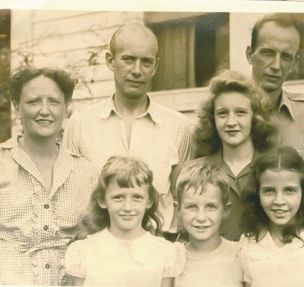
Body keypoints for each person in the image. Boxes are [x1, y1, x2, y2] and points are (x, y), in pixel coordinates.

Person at [63, 23, 192, 235]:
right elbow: (68, 199)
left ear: (155, 66)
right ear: (110, 61)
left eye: (146, 62)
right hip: (97, 250)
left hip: (158, 248)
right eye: (128, 59)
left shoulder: (178, 126)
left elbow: (183, 198)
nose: (137, 71)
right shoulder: (80, 123)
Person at [0, 67, 97, 285]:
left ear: (66, 108)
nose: (45, 110)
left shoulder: (85, 171)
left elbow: (96, 240)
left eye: (54, 102)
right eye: (34, 101)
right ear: (17, 107)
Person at [246, 13, 304, 216]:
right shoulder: (227, 115)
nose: (275, 65)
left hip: (295, 237)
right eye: (267, 52)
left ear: (295, 62)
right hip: (239, 236)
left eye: (286, 56)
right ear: (250, 54)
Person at [65, 156, 184, 287]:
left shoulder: (165, 253)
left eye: (137, 197)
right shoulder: (83, 252)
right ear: (102, 200)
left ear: (149, 201)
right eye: (118, 197)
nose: (128, 207)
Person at [188, 69, 276, 241]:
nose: (231, 122)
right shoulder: (196, 171)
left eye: (241, 113)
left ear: (255, 117)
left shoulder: (274, 168)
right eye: (222, 114)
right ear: (212, 119)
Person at [225, 146, 304, 287]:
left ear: (303, 192)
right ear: (257, 193)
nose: (279, 201)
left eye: (289, 190)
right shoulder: (249, 244)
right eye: (269, 191)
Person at [174, 162, 240, 287]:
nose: (201, 217)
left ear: (226, 210)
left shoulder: (240, 254)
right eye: (191, 207)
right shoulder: (172, 256)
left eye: (211, 207)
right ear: (178, 210)